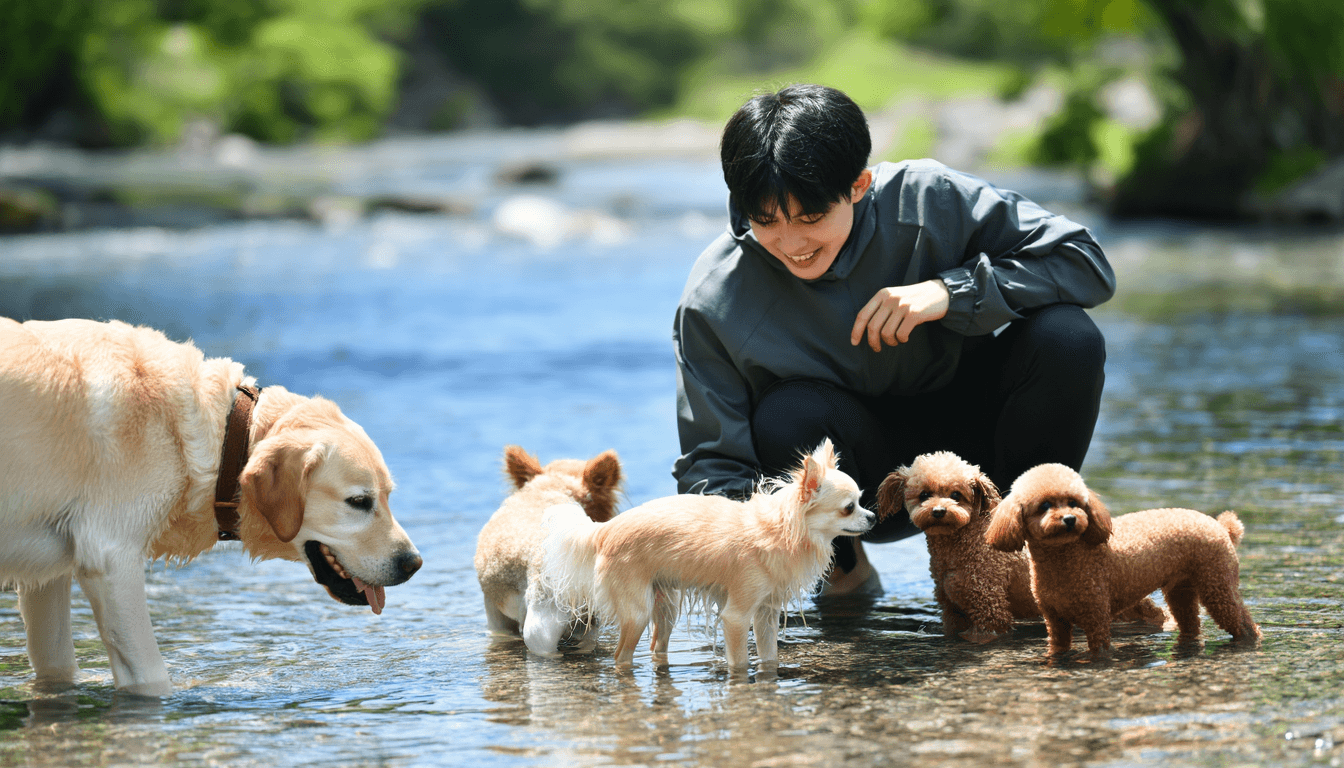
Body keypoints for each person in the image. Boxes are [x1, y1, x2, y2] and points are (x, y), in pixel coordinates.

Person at [671, 83, 1116, 594]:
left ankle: (1029, 564)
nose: (791, 245)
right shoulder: (713, 297)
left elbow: (1087, 263)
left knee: (1068, 336)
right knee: (784, 415)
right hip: (859, 484)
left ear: (859, 185)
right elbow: (714, 464)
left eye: (811, 218)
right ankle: (845, 580)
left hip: (981, 445)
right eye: (766, 221)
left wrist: (950, 291)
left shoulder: (931, 199)